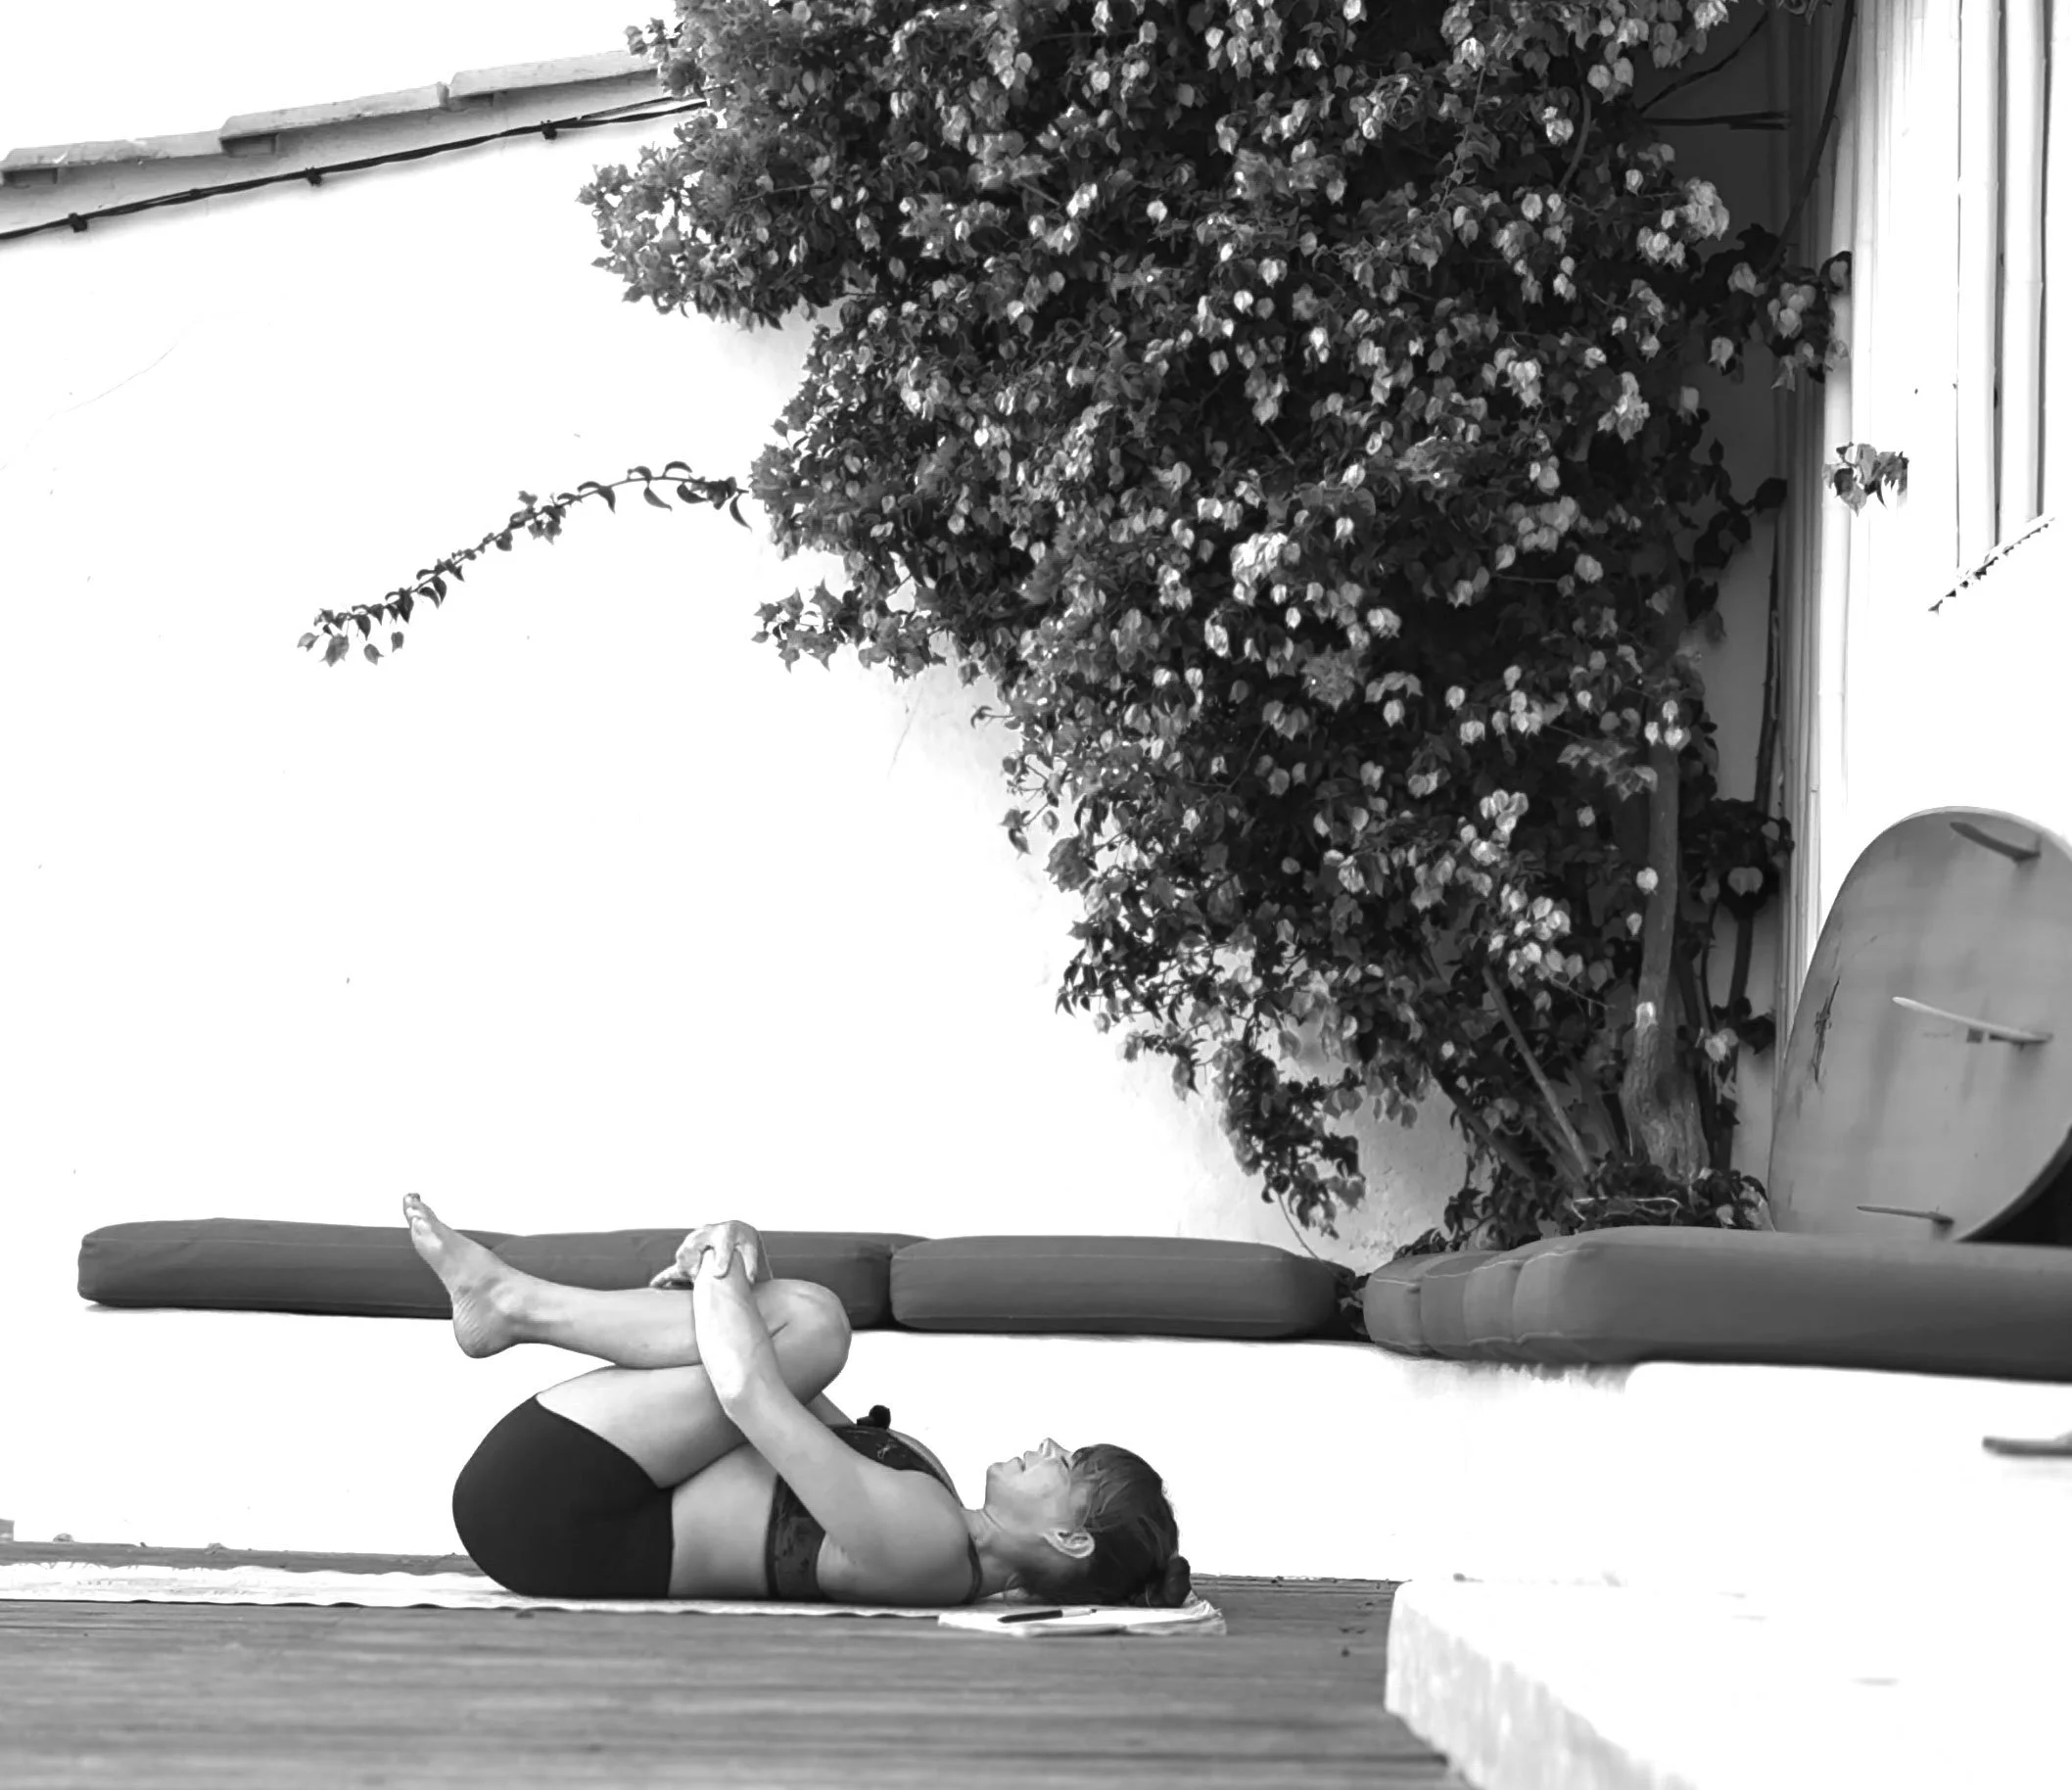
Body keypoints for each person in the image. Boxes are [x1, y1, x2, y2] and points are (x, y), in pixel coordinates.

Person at [402, 1195, 1192, 1608]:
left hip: (557, 1517)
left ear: (1070, 1538)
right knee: (806, 1324)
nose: (1052, 1445)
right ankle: (508, 1304)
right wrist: (742, 1261)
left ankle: (515, 1304)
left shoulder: (929, 1550)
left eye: (1073, 1464)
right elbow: (780, 1382)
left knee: (813, 1323)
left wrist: (723, 1261)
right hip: (580, 1490)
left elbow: (749, 1391)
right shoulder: (935, 1503)